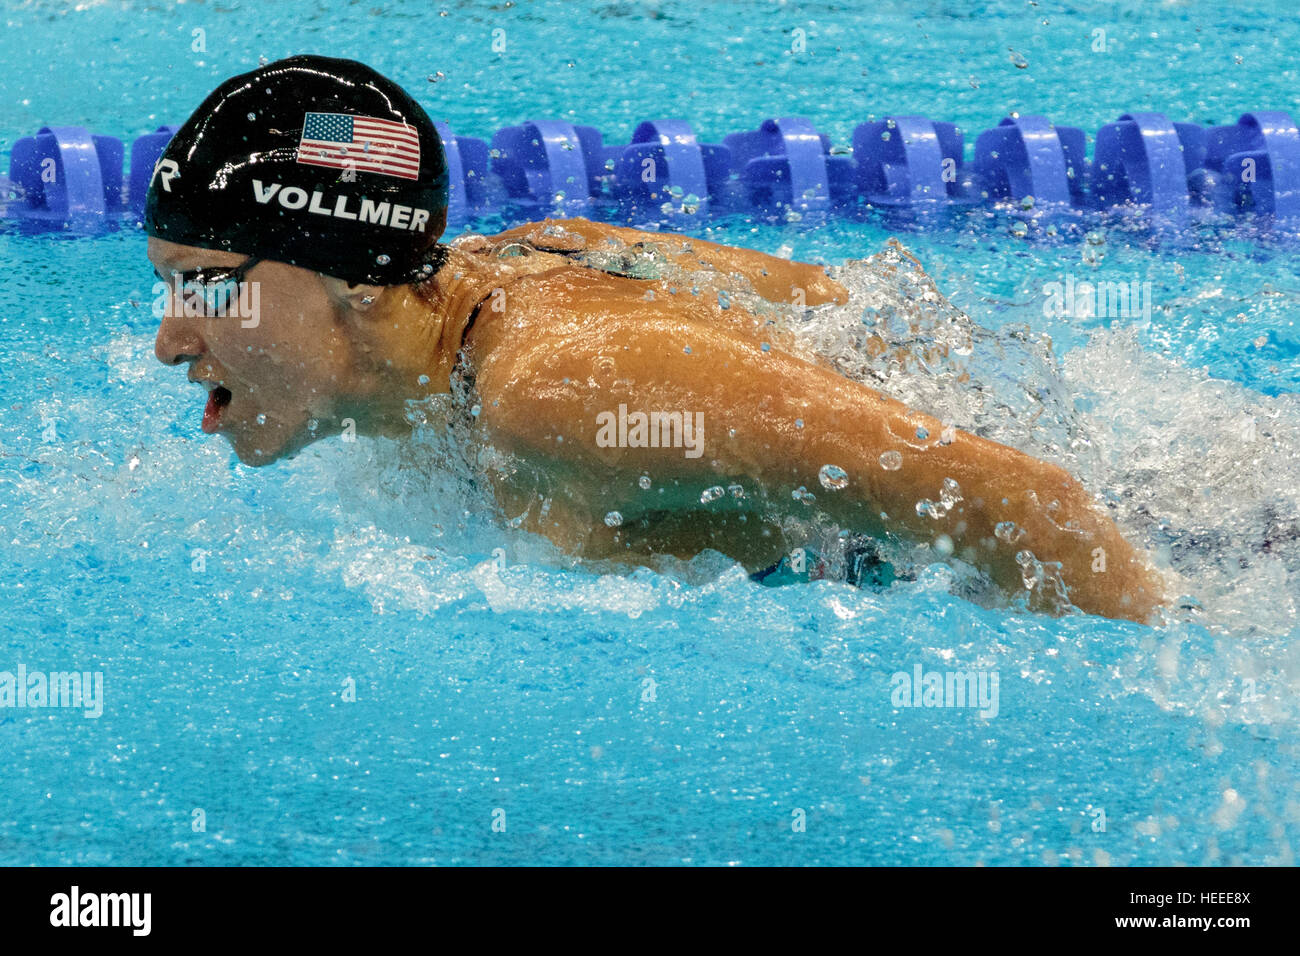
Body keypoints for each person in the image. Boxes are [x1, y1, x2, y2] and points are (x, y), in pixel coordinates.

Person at [145, 55, 1168, 623]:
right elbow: (845, 306)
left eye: (203, 288)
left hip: (1188, 542)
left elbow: (1028, 499)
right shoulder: (509, 271)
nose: (172, 340)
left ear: (355, 278)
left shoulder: (560, 392)